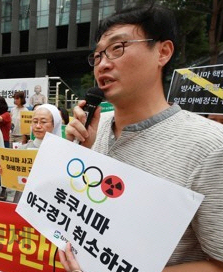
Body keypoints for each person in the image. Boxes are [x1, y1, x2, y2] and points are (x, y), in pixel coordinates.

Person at [63, 4, 223, 271]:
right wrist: (80, 153)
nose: (103, 63)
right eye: (98, 55)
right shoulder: (93, 131)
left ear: (162, 52)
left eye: (118, 48)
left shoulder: (209, 146)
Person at [0, 104, 62, 203]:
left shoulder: (61, 153)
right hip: (22, 202)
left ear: (54, 124)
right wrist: (3, 169)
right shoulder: (21, 151)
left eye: (43, 122)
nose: (38, 126)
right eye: (35, 122)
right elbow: (12, 179)